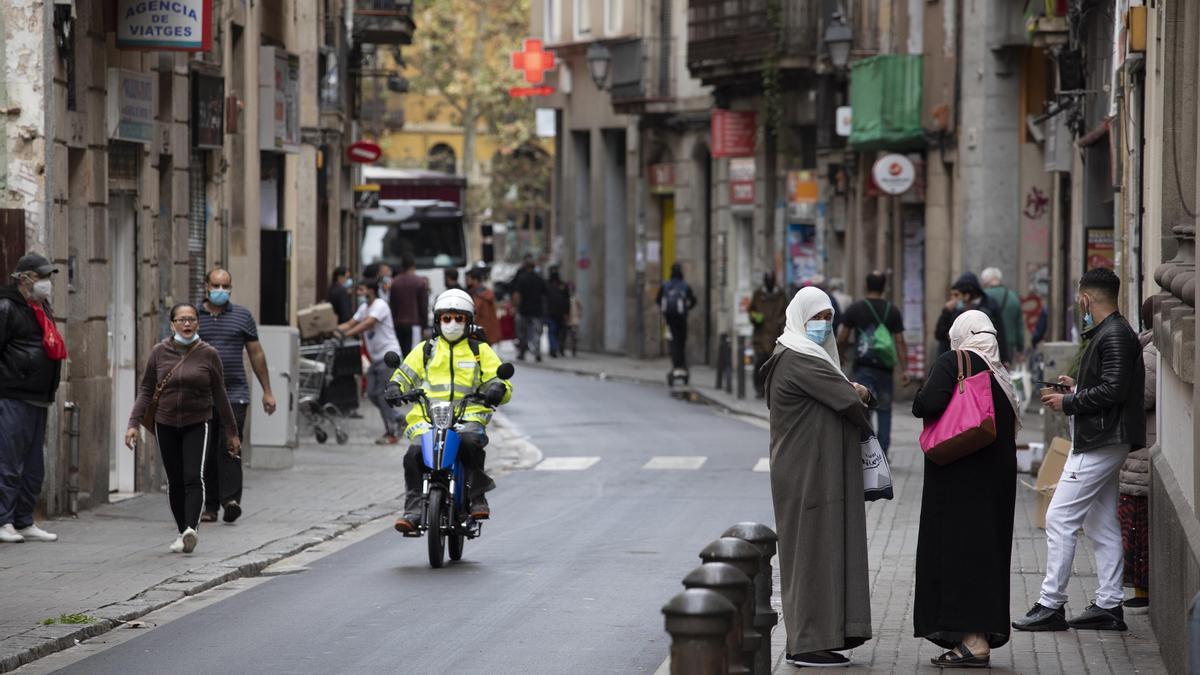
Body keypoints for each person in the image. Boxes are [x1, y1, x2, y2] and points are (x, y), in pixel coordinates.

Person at [1015, 267, 1144, 633]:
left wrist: (1068, 402)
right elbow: (1108, 383)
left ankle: (1050, 604)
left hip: (1100, 441)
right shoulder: (1111, 332)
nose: (1079, 306)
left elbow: (1114, 390)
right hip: (1102, 438)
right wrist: (1076, 386)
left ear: (1086, 298)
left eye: (1079, 299)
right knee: (1100, 523)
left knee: (1059, 518)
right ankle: (1108, 604)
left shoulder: (1114, 334)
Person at [761, 287, 875, 668]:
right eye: (817, 318)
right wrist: (859, 392)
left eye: (829, 318)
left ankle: (820, 637)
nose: (823, 326)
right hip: (806, 476)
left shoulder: (801, 356)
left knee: (821, 551)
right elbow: (848, 400)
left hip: (812, 472)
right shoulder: (799, 359)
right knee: (811, 554)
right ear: (798, 318)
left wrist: (854, 391)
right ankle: (807, 643)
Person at [911, 310, 1019, 667]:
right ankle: (979, 636)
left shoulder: (954, 361)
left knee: (958, 555)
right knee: (986, 556)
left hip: (959, 484)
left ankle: (972, 642)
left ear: (961, 334)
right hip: (996, 486)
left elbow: (926, 404)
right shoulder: (1000, 374)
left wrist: (919, 392)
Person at [388, 289, 513, 531]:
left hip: (468, 415)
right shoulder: (425, 350)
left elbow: (500, 380)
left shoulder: (480, 351)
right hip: (427, 416)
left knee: (469, 442)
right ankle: (413, 509)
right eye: (447, 318)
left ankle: (477, 495)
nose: (452, 323)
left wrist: (497, 388)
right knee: (413, 455)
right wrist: (394, 387)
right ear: (437, 321)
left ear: (469, 322)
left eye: (459, 318)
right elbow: (403, 375)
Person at [125, 303, 240, 554]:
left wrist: (232, 432)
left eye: (191, 319)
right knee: (175, 480)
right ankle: (182, 531)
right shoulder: (159, 352)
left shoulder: (208, 354)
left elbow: (220, 394)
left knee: (193, 476)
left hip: (198, 421)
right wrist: (133, 424)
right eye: (181, 320)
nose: (187, 324)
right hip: (165, 422)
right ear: (172, 324)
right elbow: (146, 390)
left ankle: (191, 529)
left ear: (197, 323)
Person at [196, 268, 277, 524]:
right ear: (206, 286)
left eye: (225, 286)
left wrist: (267, 391)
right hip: (201, 395)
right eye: (216, 285)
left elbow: (256, 354)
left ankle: (230, 500)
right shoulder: (193, 318)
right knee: (206, 451)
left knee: (230, 446)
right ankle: (209, 506)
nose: (221, 291)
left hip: (235, 393)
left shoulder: (242, 316)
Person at [0, 253, 66, 543]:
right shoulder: (6, 306)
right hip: (13, 395)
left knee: (33, 466)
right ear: (24, 278)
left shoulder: (41, 308)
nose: (47, 284)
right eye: (41, 278)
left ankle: (24, 519)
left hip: (39, 397)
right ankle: (4, 520)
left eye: (48, 278)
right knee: (8, 462)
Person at [837, 271, 909, 455]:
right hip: (885, 367)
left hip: (864, 367)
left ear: (865, 286)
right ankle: (883, 451)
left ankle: (867, 450)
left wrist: (840, 354)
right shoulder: (892, 310)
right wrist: (904, 369)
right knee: (884, 409)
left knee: (864, 407)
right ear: (884, 287)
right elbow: (900, 340)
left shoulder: (856, 308)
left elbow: (843, 335)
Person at [1120, 297, 1157, 612]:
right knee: (1135, 521)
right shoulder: (1146, 349)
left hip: (1143, 446)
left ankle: (1144, 590)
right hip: (1141, 447)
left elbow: (1143, 395)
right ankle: (1141, 588)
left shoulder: (1149, 352)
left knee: (1138, 523)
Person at [338, 276, 405, 444]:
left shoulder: (380, 306)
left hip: (388, 356)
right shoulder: (364, 307)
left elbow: (367, 324)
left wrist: (346, 335)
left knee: (383, 396)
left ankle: (392, 433)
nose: (359, 293)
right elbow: (351, 323)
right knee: (372, 394)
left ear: (371, 291)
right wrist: (332, 331)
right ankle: (399, 419)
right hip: (376, 358)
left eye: (361, 290)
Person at [934, 272, 1010, 363]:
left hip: (984, 359)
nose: (954, 299)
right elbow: (940, 334)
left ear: (967, 295)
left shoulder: (989, 305)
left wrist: (1004, 358)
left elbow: (999, 333)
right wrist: (946, 312)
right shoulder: (955, 310)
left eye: (957, 295)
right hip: (957, 360)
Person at [748, 272, 787, 398]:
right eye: (767, 280)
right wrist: (755, 318)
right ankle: (759, 389)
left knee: (775, 365)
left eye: (771, 280)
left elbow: (786, 311)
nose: (769, 283)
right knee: (760, 362)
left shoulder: (780, 295)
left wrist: (780, 321)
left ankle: (773, 389)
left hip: (776, 335)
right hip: (761, 335)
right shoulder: (758, 294)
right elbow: (751, 311)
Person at [656, 263, 698, 374]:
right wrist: (687, 308)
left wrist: (665, 311)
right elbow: (693, 300)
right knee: (681, 340)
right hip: (681, 318)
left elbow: (658, 300)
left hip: (669, 318)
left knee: (672, 341)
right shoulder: (684, 286)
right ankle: (681, 364)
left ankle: (675, 364)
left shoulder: (665, 285)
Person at [981, 267, 1025, 362]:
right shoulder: (1013, 297)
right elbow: (1019, 326)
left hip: (986, 345)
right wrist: (1020, 349)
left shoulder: (982, 297)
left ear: (985, 281)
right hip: (1009, 345)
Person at [388, 254, 428, 355]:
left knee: (402, 354)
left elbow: (392, 305)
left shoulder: (395, 282)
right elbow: (423, 306)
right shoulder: (419, 282)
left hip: (398, 323)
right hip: (414, 324)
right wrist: (425, 325)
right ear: (413, 266)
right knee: (413, 355)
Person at [512, 255, 547, 362]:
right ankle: (537, 353)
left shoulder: (522, 278)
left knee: (522, 333)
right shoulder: (539, 279)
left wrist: (516, 308)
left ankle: (522, 352)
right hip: (537, 310)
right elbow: (545, 294)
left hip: (524, 310)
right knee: (537, 333)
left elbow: (517, 295)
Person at [466, 266, 501, 345]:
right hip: (488, 333)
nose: (466, 282)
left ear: (475, 280)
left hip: (481, 334)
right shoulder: (486, 292)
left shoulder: (479, 297)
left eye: (468, 280)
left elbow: (476, 316)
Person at [545, 265, 571, 358]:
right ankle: (554, 349)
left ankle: (558, 348)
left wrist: (567, 313)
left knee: (559, 332)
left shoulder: (562, 286)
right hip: (553, 313)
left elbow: (567, 300)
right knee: (554, 331)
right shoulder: (547, 285)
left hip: (558, 313)